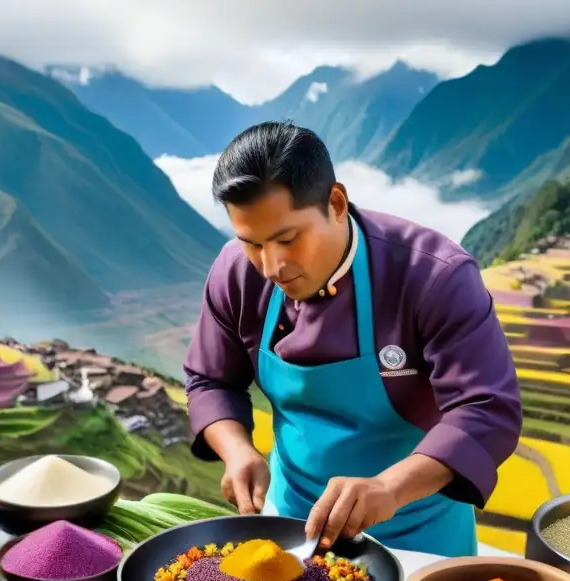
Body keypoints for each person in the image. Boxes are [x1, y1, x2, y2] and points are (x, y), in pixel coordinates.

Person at [183, 121, 522, 557]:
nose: (271, 266)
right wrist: (237, 451)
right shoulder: (237, 271)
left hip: (419, 534)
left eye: (288, 239)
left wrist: (389, 487)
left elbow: (487, 409)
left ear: (337, 203)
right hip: (291, 529)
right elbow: (210, 380)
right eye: (252, 243)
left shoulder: (435, 277)